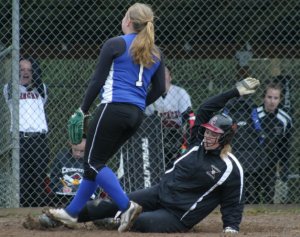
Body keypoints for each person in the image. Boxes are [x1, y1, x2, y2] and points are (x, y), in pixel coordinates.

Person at [42, 78, 260, 234]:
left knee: (142, 222)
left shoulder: (230, 168)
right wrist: (235, 92)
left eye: (215, 134)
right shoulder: (197, 143)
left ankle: (114, 220)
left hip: (178, 215)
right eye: (208, 131)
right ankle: (64, 216)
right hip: (160, 193)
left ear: (225, 138)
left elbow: (234, 201)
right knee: (111, 203)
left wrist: (231, 227)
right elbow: (205, 108)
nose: (208, 135)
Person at [46, 3, 165, 233]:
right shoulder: (157, 52)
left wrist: (82, 110)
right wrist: (139, 104)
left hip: (112, 108)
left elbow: (97, 82)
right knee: (95, 165)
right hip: (135, 115)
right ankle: (72, 213)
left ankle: (126, 206)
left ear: (128, 21)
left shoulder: (115, 43)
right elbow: (159, 88)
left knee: (92, 162)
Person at [3, 56, 49, 207]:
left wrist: (33, 79)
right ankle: (21, 209)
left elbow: (39, 85)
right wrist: (18, 78)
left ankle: (38, 208)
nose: (25, 73)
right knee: (21, 177)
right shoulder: (9, 89)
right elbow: (12, 85)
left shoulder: (40, 89)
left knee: (38, 176)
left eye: (29, 70)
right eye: (21, 70)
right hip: (19, 138)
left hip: (38, 139)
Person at [251, 82, 293, 203]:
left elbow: (285, 146)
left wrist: (284, 167)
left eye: (276, 98)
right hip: (251, 162)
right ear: (264, 97)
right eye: (269, 97)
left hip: (271, 164)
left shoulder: (285, 119)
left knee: (269, 197)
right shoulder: (253, 115)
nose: (272, 101)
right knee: (250, 197)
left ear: (280, 100)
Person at [145, 66, 192, 169]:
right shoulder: (149, 95)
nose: (161, 75)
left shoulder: (180, 93)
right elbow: (148, 122)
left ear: (170, 77)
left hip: (178, 135)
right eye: (158, 73)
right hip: (157, 137)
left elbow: (187, 118)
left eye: (164, 72)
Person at [47, 137, 98, 207]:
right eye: (75, 150)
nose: (78, 154)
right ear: (71, 145)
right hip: (65, 196)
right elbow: (54, 179)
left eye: (82, 151)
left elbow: (97, 182)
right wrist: (61, 188)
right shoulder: (61, 157)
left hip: (84, 195)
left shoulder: (91, 160)